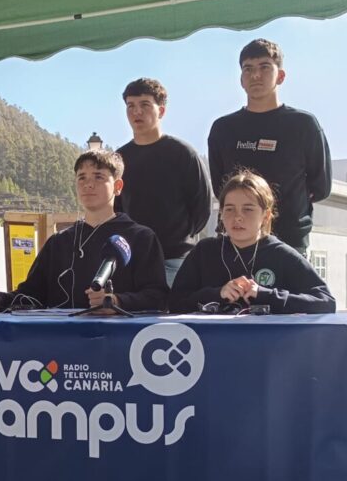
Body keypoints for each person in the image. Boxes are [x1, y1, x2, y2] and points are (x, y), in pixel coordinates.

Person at [0, 149, 167, 314]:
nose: (88, 184)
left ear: (118, 186)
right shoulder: (58, 243)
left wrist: (117, 301)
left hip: (120, 343)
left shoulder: (141, 238)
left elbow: (158, 297)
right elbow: (31, 295)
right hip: (61, 343)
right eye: (82, 177)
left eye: (98, 177)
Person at [207, 38, 332, 255]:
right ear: (241, 80)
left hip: (289, 244)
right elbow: (221, 188)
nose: (255, 75)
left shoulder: (303, 125)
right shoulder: (223, 129)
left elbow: (320, 187)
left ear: (280, 76)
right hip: (235, 244)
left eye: (264, 67)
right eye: (248, 69)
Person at [169, 171, 335, 314]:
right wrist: (218, 294)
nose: (238, 217)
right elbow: (175, 302)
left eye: (248, 209)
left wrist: (265, 295)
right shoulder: (204, 251)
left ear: (266, 216)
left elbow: (325, 302)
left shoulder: (282, 254)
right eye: (229, 209)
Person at [116, 78, 211, 286]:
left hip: (175, 261)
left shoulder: (183, 154)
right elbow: (116, 209)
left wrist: (179, 238)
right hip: (133, 261)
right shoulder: (119, 159)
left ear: (161, 111)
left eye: (144, 105)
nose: (136, 112)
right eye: (130, 106)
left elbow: (202, 208)